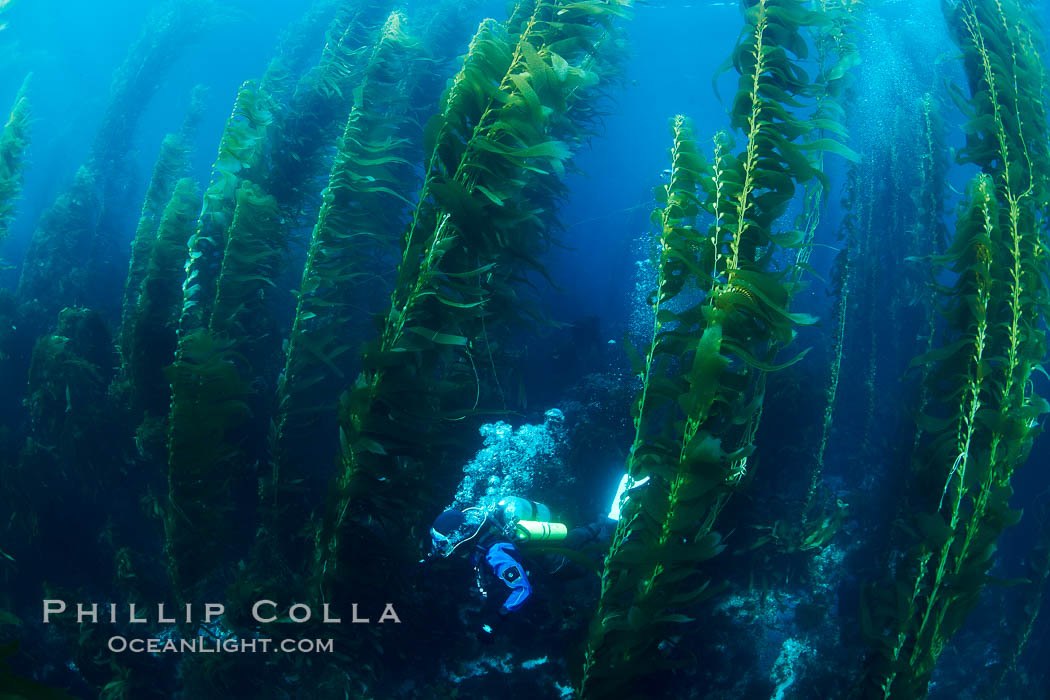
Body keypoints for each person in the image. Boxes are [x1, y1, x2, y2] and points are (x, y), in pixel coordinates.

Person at [426, 474, 650, 642]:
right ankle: (617, 508)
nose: (442, 548)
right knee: (588, 532)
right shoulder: (483, 523)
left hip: (559, 564)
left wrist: (496, 620)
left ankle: (631, 522)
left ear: (461, 537)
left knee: (603, 551)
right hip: (551, 543)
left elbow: (522, 589)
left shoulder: (494, 554)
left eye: (443, 543)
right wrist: (429, 559)